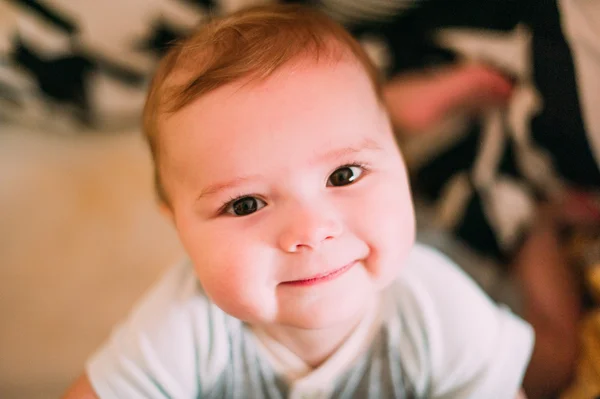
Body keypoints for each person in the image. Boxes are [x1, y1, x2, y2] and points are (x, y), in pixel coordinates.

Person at [63, 5, 533, 398]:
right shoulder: (185, 325)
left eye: (343, 175)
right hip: (374, 233)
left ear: (397, 166)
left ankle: (540, 230)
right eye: (246, 204)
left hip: (445, 245)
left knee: (551, 358)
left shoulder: (439, 310)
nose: (310, 230)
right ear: (178, 226)